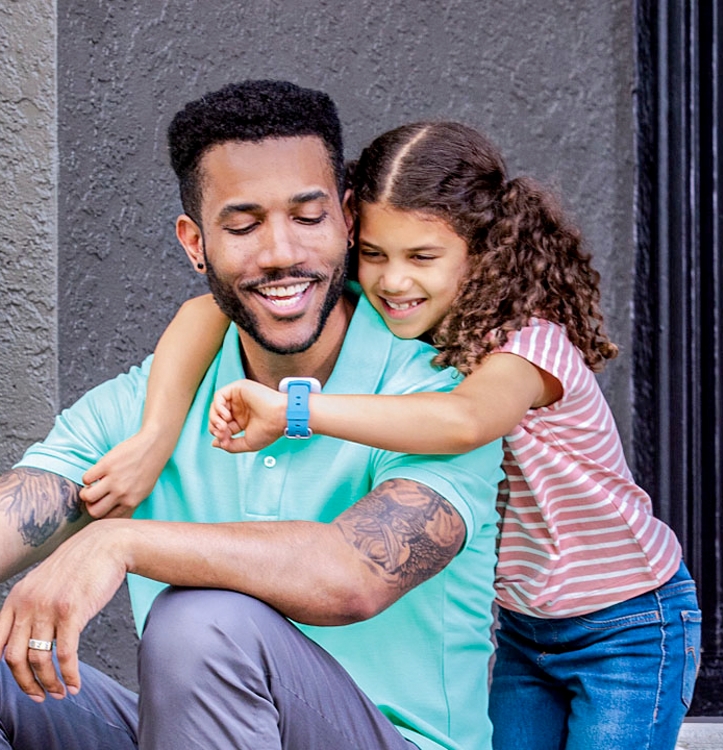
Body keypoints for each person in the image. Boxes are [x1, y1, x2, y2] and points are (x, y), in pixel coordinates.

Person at [89, 120, 702, 750]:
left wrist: (295, 411)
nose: (392, 281)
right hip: (528, 626)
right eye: (375, 254)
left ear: (483, 249)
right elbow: (206, 311)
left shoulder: (526, 346)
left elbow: (464, 422)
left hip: (626, 622)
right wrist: (157, 433)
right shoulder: (420, 328)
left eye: (422, 257)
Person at [0, 82, 505, 750]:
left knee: (201, 622)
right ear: (194, 242)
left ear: (348, 219)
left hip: (390, 740)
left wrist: (117, 541)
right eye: (241, 227)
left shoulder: (435, 393)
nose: (280, 253)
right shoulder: (156, 401)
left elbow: (351, 576)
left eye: (307, 217)